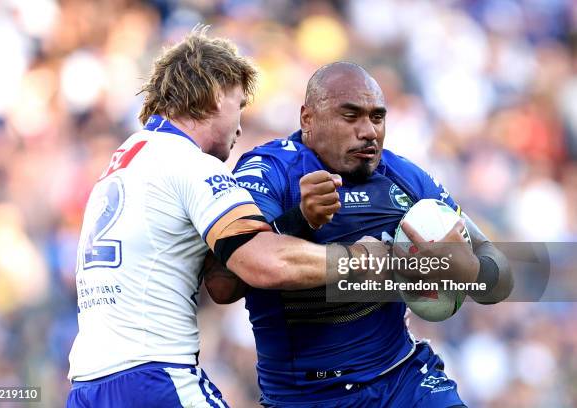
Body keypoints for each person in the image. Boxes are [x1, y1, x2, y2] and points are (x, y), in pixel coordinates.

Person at [65, 30, 372, 408]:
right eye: (239, 104)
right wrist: (366, 261)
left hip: (87, 386)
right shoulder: (188, 163)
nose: (241, 125)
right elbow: (263, 263)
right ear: (215, 94)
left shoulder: (127, 158)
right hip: (153, 377)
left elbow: (223, 278)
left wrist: (297, 220)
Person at [206, 62, 513, 407]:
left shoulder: (404, 178)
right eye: (350, 116)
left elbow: (499, 280)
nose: (368, 131)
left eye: (377, 118)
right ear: (307, 119)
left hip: (403, 381)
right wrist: (300, 220)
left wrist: (467, 271)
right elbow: (222, 284)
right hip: (307, 396)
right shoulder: (271, 170)